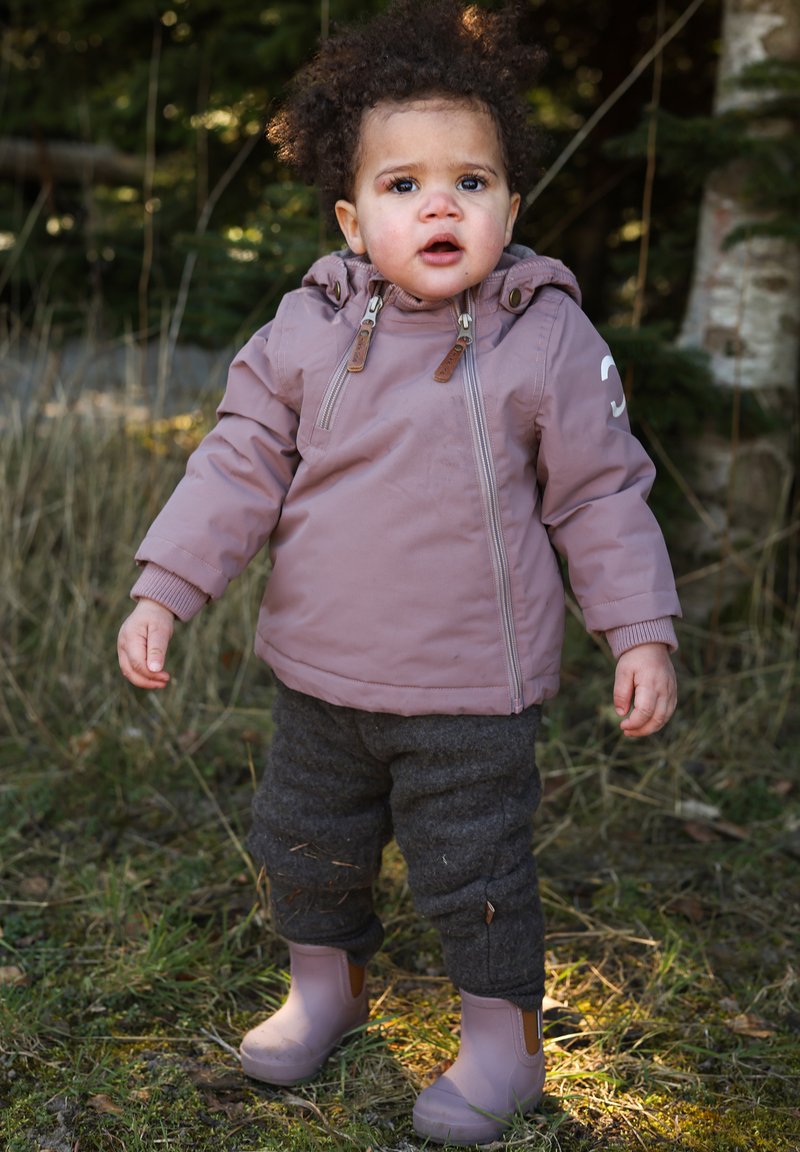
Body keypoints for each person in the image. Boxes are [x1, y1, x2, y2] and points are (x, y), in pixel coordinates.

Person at [117, 0, 680, 1144]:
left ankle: (500, 1042)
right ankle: (325, 990)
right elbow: (235, 465)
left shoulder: (545, 336)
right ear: (350, 215)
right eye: (402, 184)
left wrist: (638, 629)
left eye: (470, 183)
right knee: (305, 847)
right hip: (321, 677)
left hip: (471, 689)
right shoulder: (307, 328)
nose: (438, 203)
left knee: (472, 869)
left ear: (510, 208)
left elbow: (597, 493)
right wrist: (165, 586)